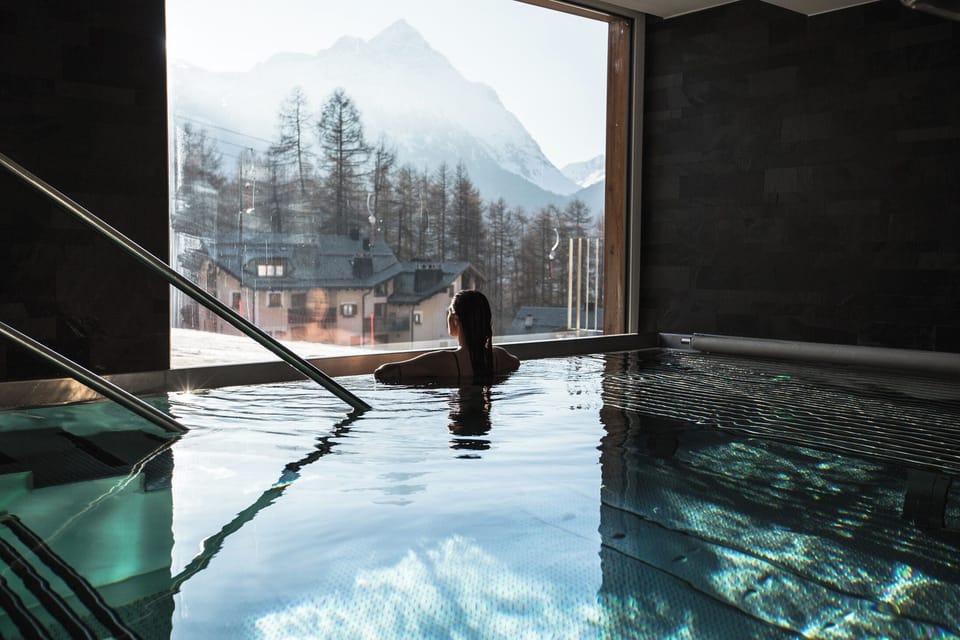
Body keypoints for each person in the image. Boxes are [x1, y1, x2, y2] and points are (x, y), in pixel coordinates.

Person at [374, 289, 520, 384]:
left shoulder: (442, 361)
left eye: (449, 312)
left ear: (455, 320)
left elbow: (383, 373)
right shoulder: (499, 356)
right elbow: (516, 363)